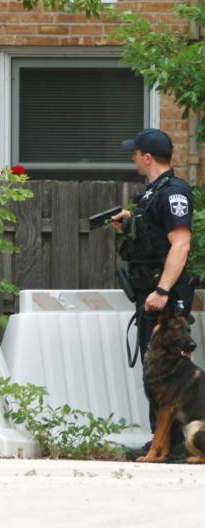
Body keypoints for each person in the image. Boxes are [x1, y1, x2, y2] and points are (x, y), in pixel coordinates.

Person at [112, 128, 194, 461]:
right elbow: (158, 231)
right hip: (151, 292)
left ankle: (177, 444)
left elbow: (181, 243)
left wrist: (162, 290)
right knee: (156, 370)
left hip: (166, 296)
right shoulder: (152, 193)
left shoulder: (174, 192)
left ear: (147, 157)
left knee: (172, 371)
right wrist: (132, 219)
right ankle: (159, 442)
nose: (132, 158)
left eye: (135, 153)